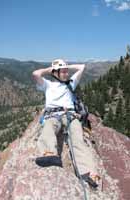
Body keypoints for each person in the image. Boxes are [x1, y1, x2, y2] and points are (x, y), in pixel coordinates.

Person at [32, 59, 99, 188]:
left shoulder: (70, 84)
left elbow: (82, 67)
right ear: (55, 72)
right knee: (48, 128)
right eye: (63, 71)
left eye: (66, 71)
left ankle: (88, 172)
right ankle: (50, 153)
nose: (66, 73)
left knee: (78, 140)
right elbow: (36, 74)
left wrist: (65, 66)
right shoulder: (47, 84)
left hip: (70, 115)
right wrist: (51, 69)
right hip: (53, 114)